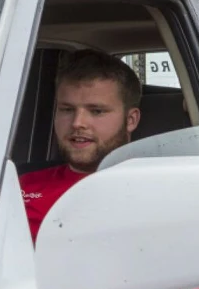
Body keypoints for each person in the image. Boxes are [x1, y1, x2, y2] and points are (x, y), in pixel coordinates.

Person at [20, 48, 141, 242]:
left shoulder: (150, 187)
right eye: (67, 110)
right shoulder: (20, 185)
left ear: (131, 120)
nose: (77, 122)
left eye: (97, 111)